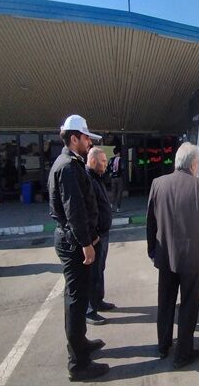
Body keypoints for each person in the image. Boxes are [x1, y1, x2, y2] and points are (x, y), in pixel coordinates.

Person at [146, 142, 199, 369]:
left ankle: (163, 346)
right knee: (188, 304)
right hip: (192, 258)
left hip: (165, 255)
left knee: (165, 301)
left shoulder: (158, 183)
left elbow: (151, 221)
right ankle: (183, 353)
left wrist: (152, 249)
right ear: (194, 164)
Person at [48, 114, 109, 381]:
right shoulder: (69, 167)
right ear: (74, 138)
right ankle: (79, 365)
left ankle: (81, 343)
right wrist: (86, 243)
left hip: (73, 239)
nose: (89, 142)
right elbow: (75, 210)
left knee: (79, 297)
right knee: (76, 301)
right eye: (86, 138)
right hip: (74, 243)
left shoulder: (69, 163)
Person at [85, 147, 116, 326]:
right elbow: (87, 210)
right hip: (96, 236)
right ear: (93, 161)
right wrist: (93, 234)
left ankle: (98, 301)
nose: (106, 164)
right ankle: (89, 310)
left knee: (99, 269)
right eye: (103, 161)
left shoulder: (97, 177)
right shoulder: (88, 179)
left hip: (103, 234)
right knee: (92, 273)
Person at [107, 147, 125, 212]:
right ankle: (118, 208)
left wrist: (110, 173)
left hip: (113, 178)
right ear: (118, 153)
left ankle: (111, 205)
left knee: (113, 191)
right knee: (119, 192)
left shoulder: (111, 159)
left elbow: (108, 167)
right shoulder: (121, 159)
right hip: (119, 177)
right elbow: (122, 168)